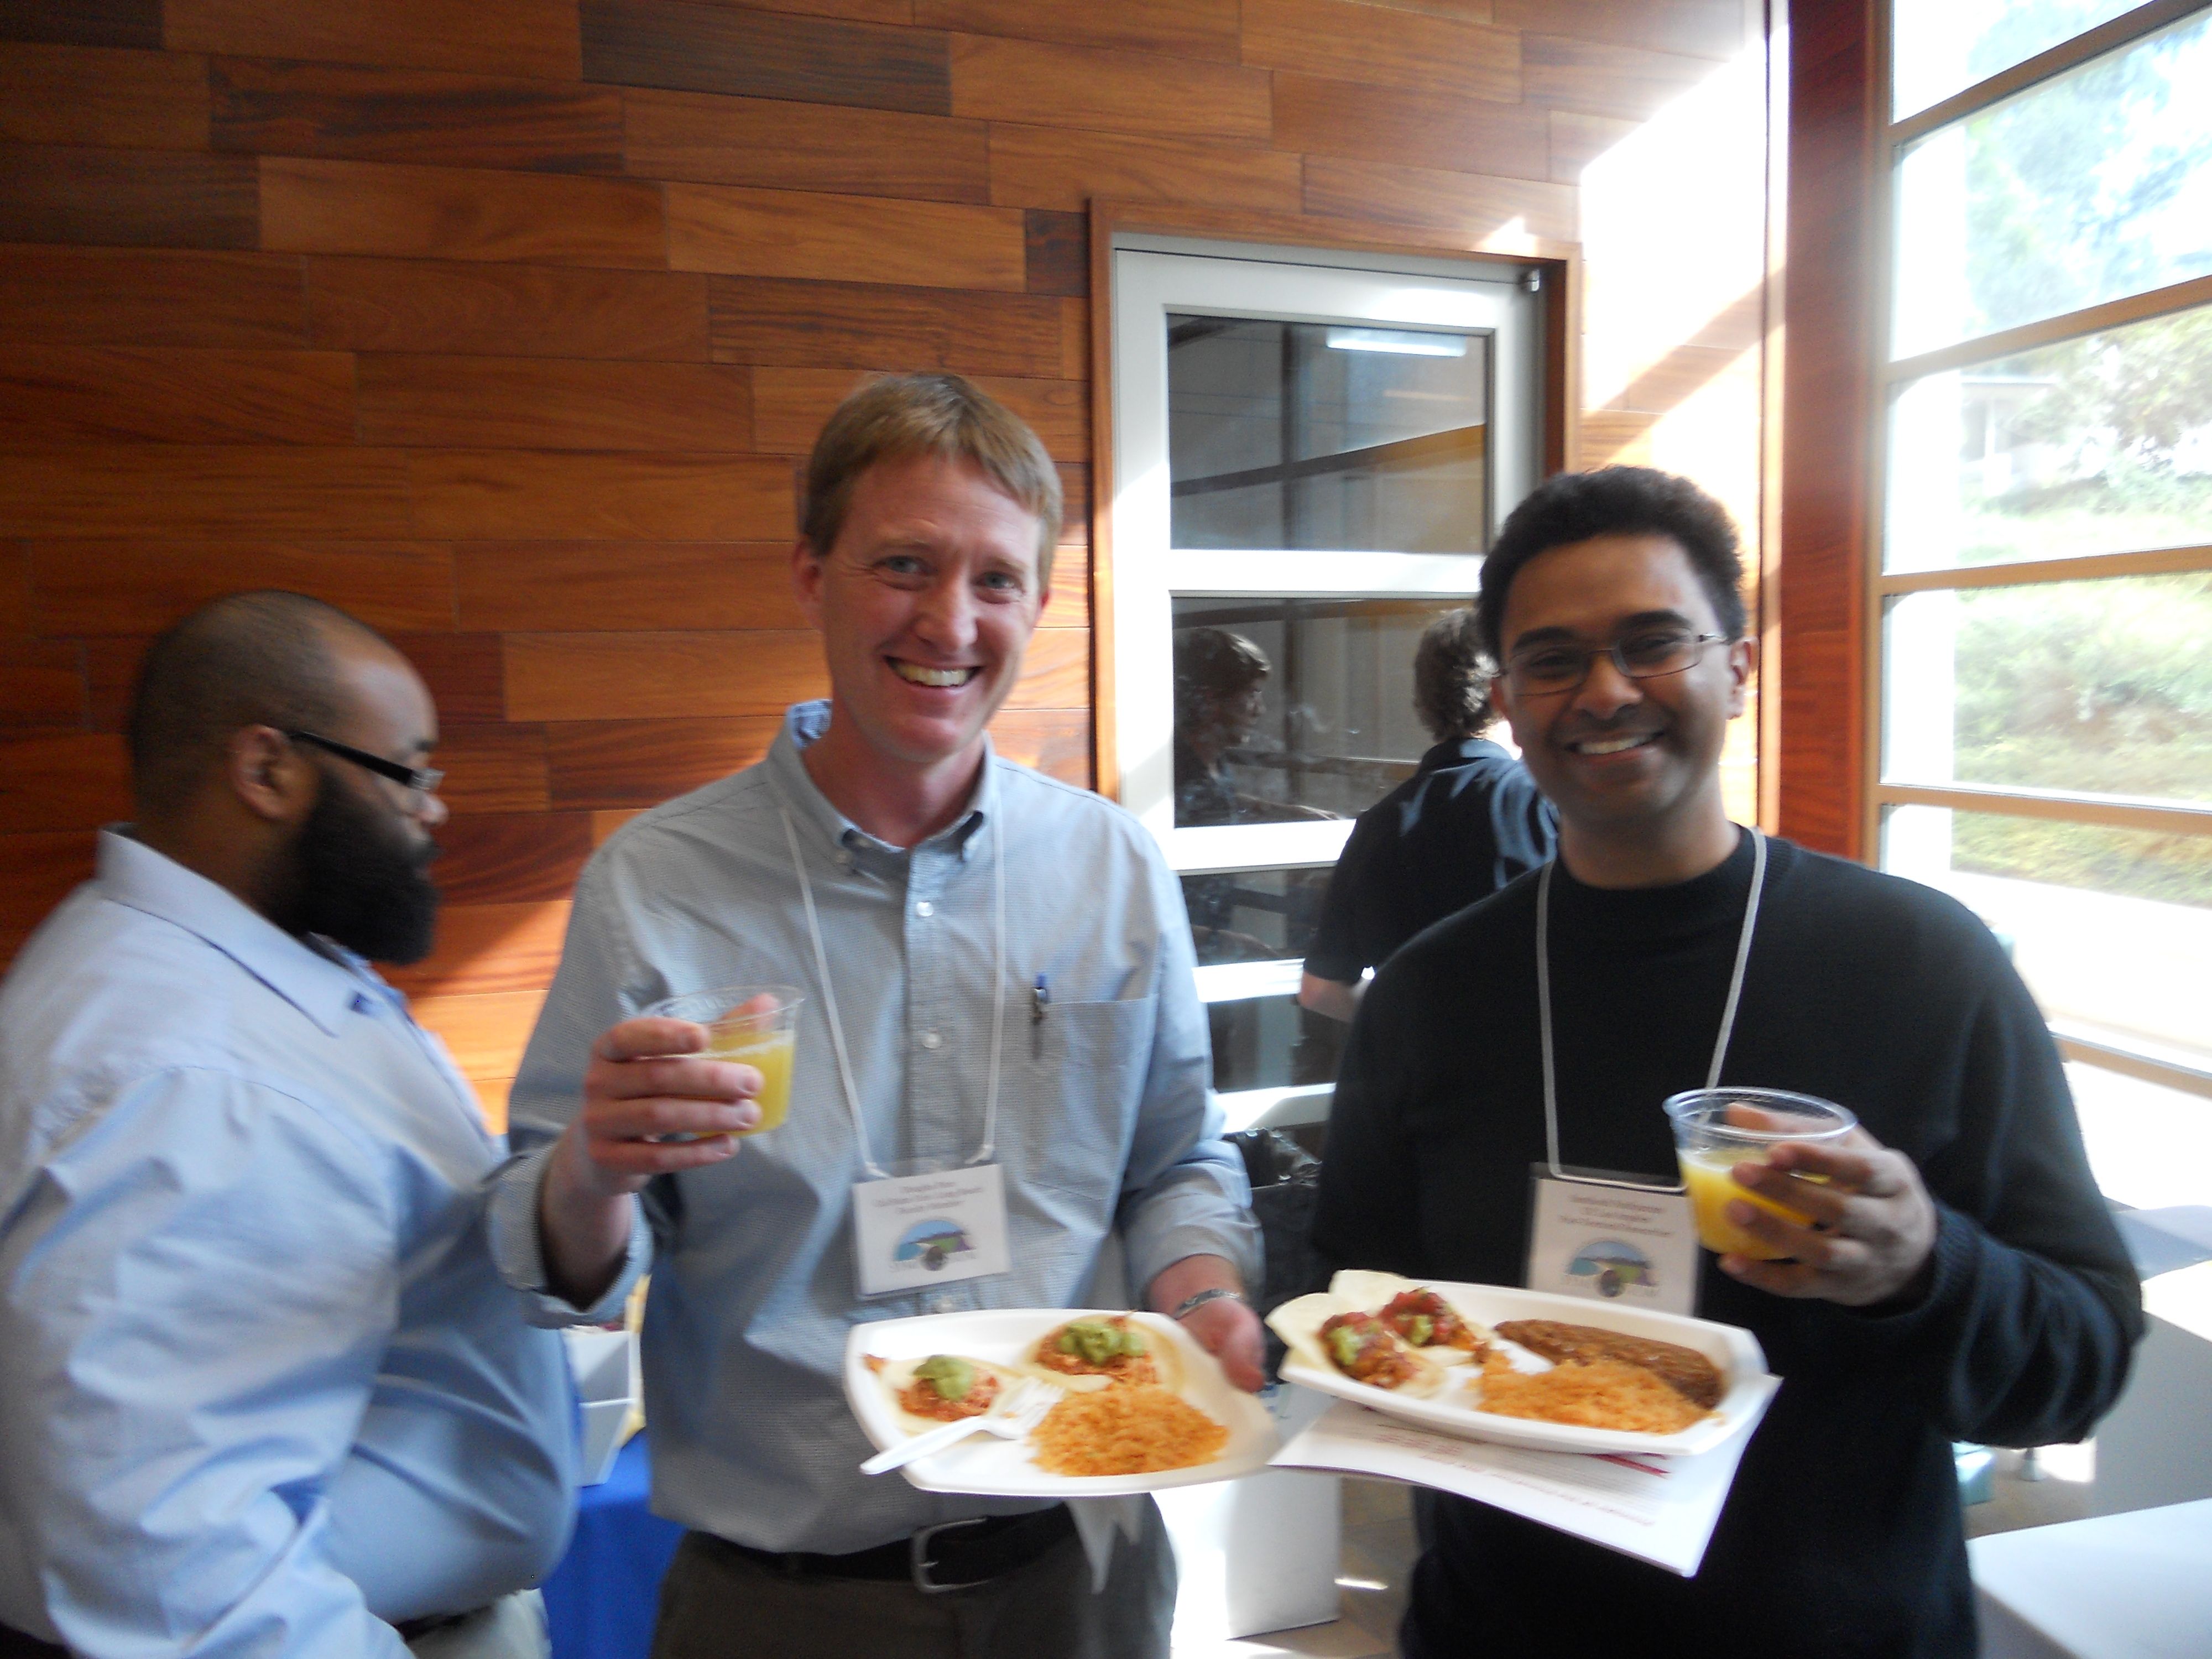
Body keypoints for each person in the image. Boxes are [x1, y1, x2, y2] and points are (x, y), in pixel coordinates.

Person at [489, 374, 1264, 1658]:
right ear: (811, 574)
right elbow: (554, 1271)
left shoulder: (1109, 867)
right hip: (781, 1603)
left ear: (1038, 602)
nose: (948, 621)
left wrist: (1199, 1295)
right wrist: (588, 1172)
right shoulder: (656, 886)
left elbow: (1175, 1158)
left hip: (1076, 1574)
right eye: (903, 564)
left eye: (995, 579)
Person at [1311, 467, 2141, 1656]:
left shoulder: (1920, 967)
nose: (1605, 691)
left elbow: (2081, 1362)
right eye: (1553, 660)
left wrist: (1924, 1267)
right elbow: (1355, 1287)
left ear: (1739, 669)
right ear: (1508, 704)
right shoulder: (1430, 995)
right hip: (1500, 1627)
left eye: (1652, 644)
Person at [0, 593, 577, 1658]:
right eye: (407, 774)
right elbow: (174, 1572)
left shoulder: (240, 962)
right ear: (266, 770)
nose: (434, 811)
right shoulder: (187, 1082)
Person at [1297, 608, 1556, 1023]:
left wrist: (1416, 1027)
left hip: (1420, 1062)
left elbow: (1320, 991)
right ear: (1505, 691)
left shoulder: (1378, 826)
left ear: (1423, 701)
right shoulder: (1543, 801)